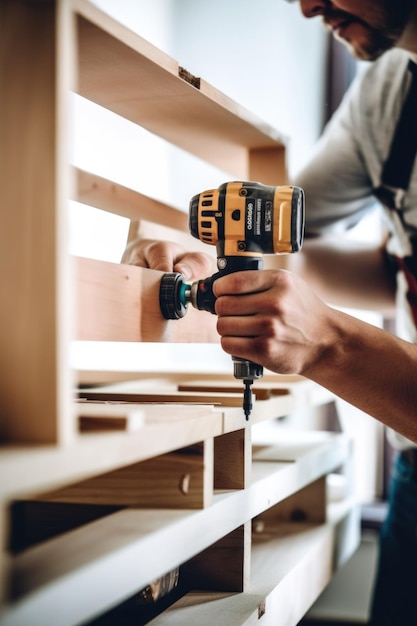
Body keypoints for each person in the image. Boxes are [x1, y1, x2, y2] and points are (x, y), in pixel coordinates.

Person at [122, 1, 417, 623]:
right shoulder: (391, 88)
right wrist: (218, 264)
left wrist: (328, 343)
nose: (309, 6)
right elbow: (296, 239)